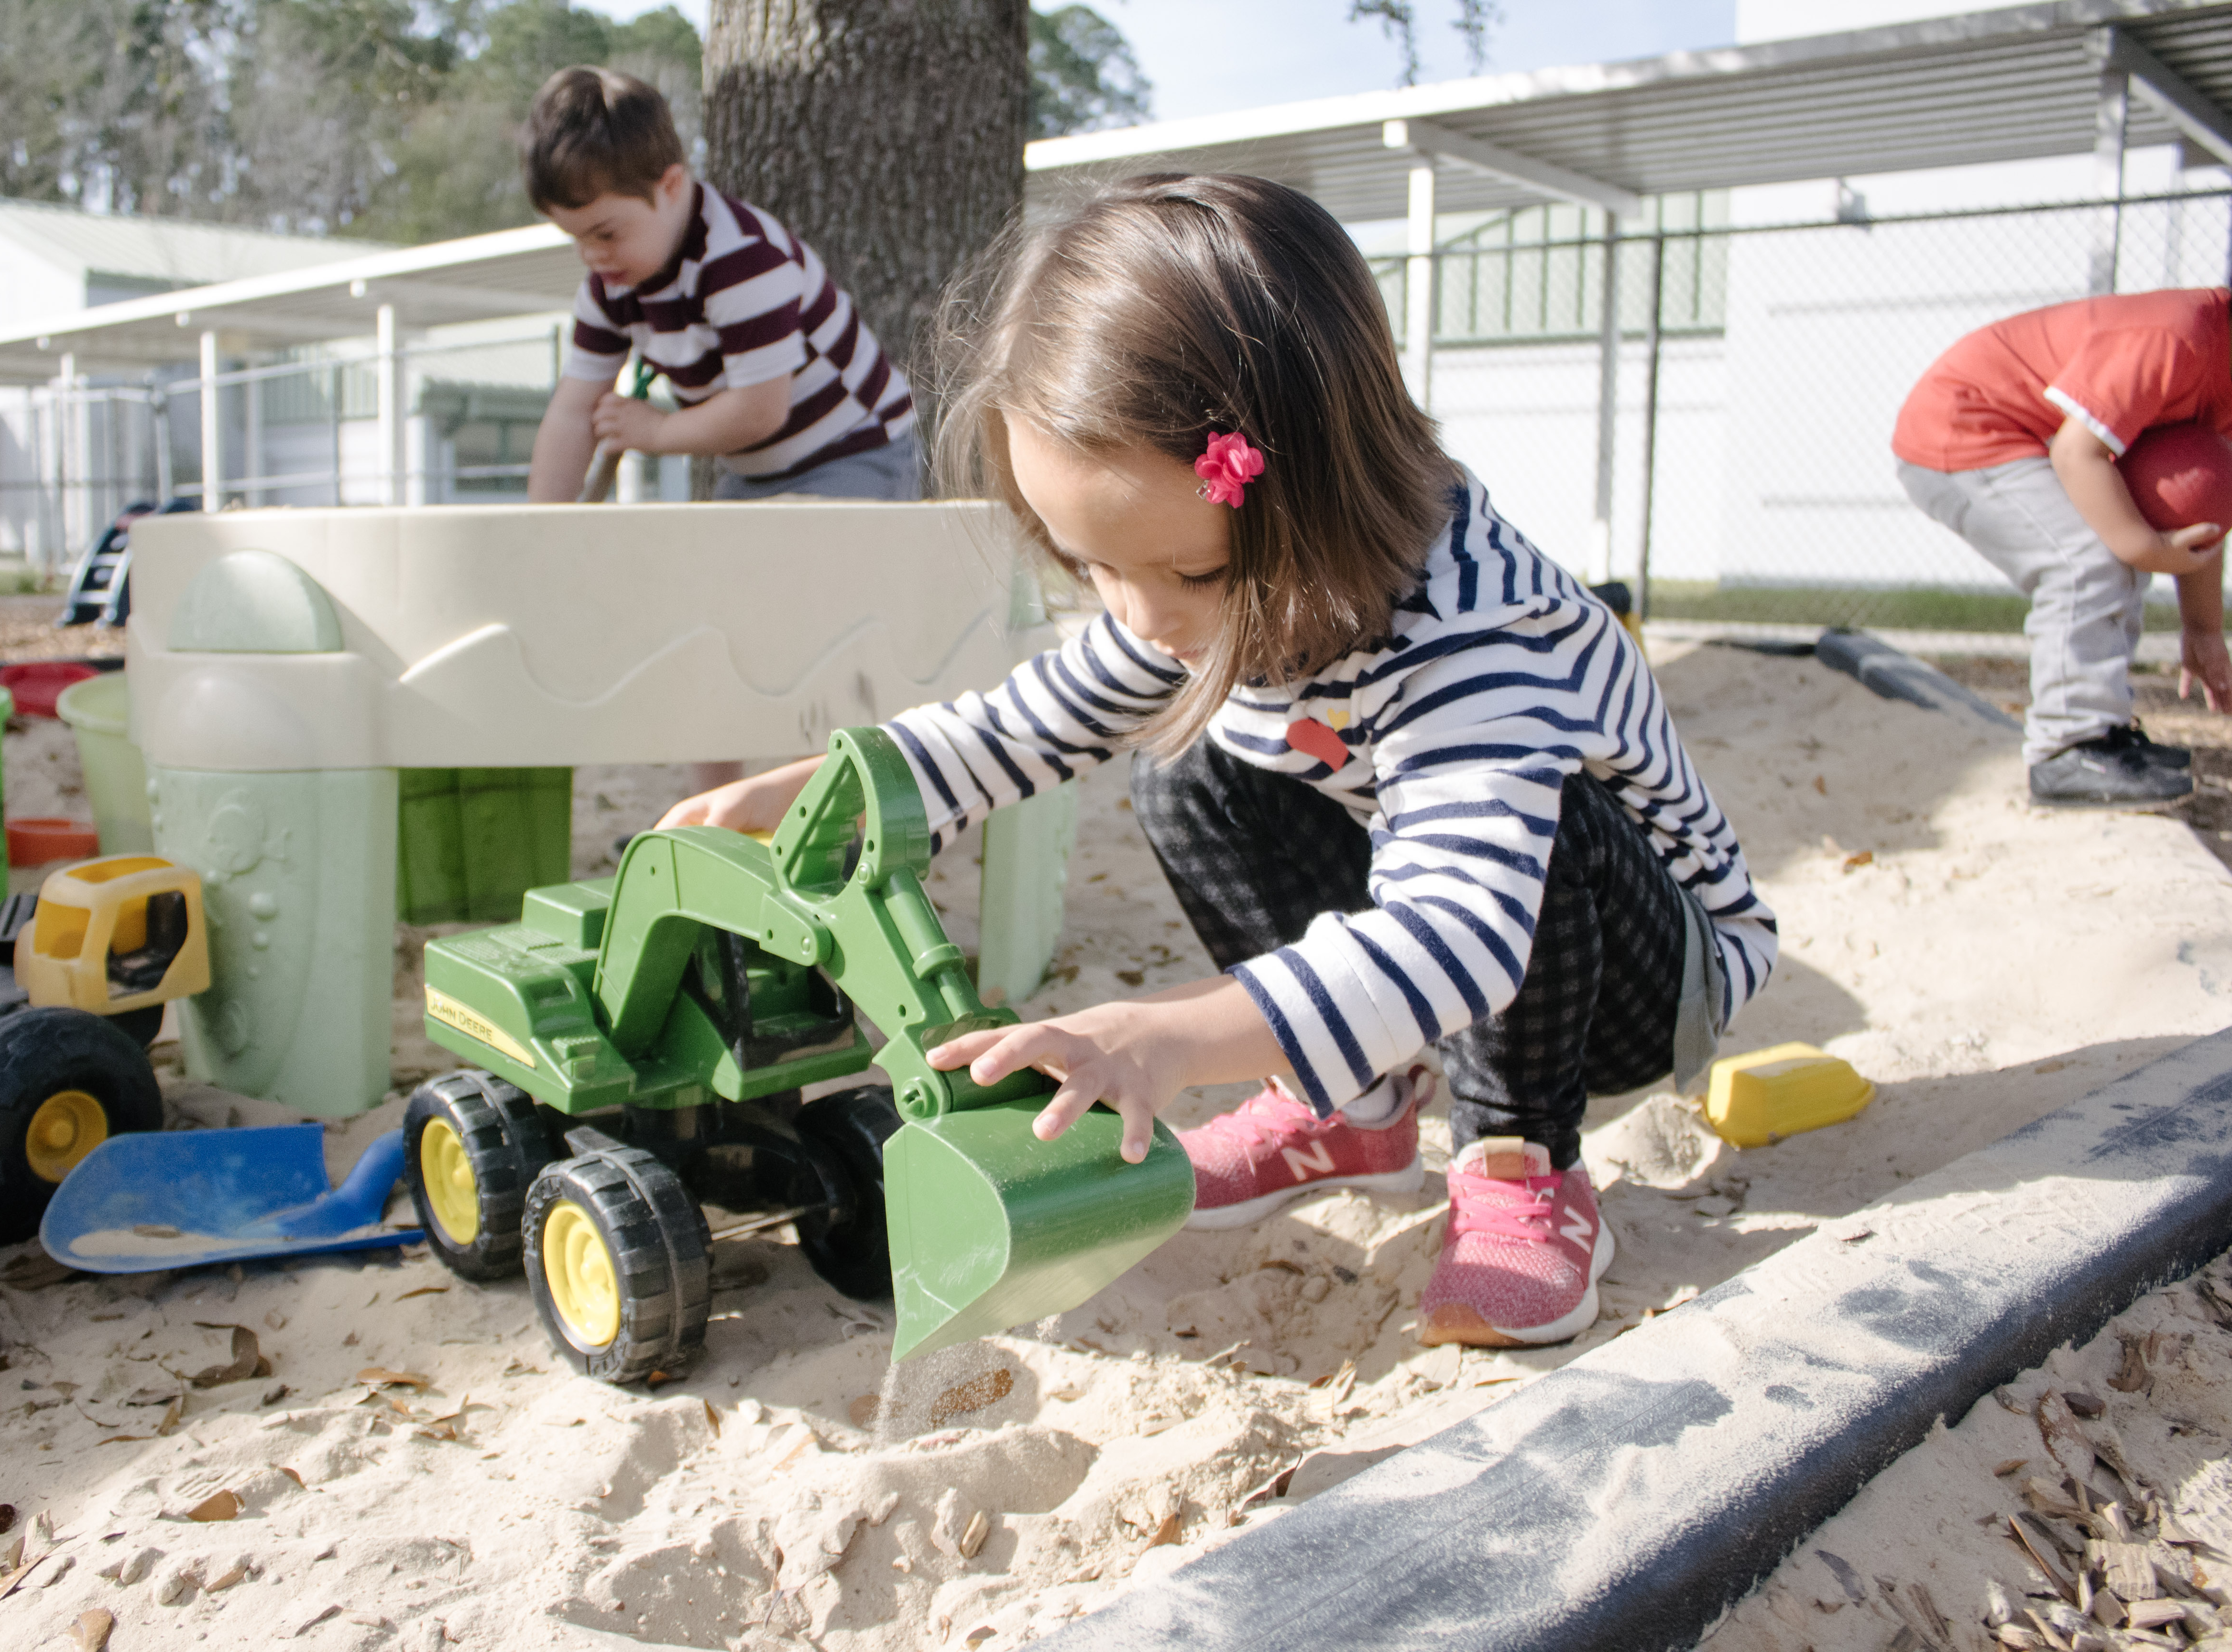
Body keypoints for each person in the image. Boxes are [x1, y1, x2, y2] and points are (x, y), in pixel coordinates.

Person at [657, 174, 1776, 1350]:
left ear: (1304, 488)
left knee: (1528, 838)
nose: (1141, 613)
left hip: (1637, 981)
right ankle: (1352, 1104)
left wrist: (1171, 1034)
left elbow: (1458, 930)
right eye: (1092, 565)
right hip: (1444, 938)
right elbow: (1029, 721)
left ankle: (1518, 1164)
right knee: (1186, 757)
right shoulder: (1189, 595)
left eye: (1186, 573)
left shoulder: (1475, 635)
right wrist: (845, 780)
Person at [520, 66, 920, 509]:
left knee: (807, 572)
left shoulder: (739, 261)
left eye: (607, 234)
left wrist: (656, 433)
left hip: (856, 451)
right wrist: (540, 527)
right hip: (757, 474)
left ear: (671, 186)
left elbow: (760, 410)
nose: (592, 256)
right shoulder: (611, 288)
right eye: (576, 238)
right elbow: (572, 413)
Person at [1893, 288, 2232, 807]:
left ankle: (2104, 732)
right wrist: (2146, 548)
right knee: (2086, 561)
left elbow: (2206, 500)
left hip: (2021, 436)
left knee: (2114, 549)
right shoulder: (2179, 336)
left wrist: (2204, 630)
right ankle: (2067, 748)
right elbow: (2078, 453)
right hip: (1964, 427)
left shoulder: (2221, 373)